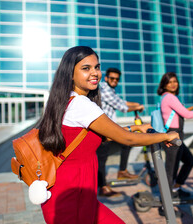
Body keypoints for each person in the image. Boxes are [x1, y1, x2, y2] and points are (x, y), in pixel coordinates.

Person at [38, 46, 179, 224]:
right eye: (86, 68)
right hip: (72, 201)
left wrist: (137, 127)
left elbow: (103, 135)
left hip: (76, 196)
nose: (95, 72)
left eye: (97, 67)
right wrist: (165, 136)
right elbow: (126, 139)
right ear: (70, 74)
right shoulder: (81, 104)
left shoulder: (67, 100)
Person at [157, 72, 193, 199]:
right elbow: (186, 115)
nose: (173, 84)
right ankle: (165, 204)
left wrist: (192, 108)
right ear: (164, 85)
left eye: (175, 81)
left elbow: (179, 112)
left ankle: (176, 188)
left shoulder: (167, 97)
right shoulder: (170, 97)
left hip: (176, 135)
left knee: (189, 160)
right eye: (169, 82)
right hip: (172, 135)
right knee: (171, 170)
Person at [97, 67, 145, 197]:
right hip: (102, 129)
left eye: (117, 79)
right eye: (112, 78)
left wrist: (136, 104)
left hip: (109, 128)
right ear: (106, 78)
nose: (114, 81)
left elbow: (122, 102)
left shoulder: (110, 90)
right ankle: (103, 187)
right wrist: (138, 107)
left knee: (125, 143)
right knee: (101, 158)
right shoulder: (104, 90)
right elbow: (122, 107)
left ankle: (121, 171)